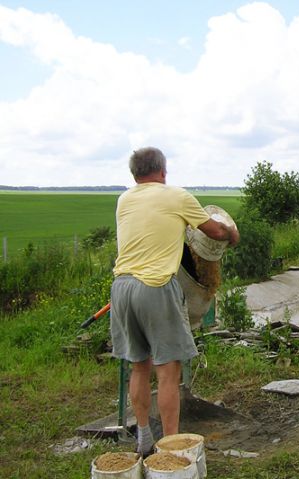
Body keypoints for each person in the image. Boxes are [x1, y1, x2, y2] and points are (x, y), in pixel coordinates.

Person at [110, 147, 239, 456]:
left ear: (134, 174)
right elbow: (214, 231)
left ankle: (143, 437)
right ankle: (170, 449)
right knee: (168, 371)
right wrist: (233, 234)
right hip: (155, 286)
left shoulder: (124, 200)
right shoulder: (177, 196)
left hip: (122, 287)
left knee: (139, 367)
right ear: (163, 171)